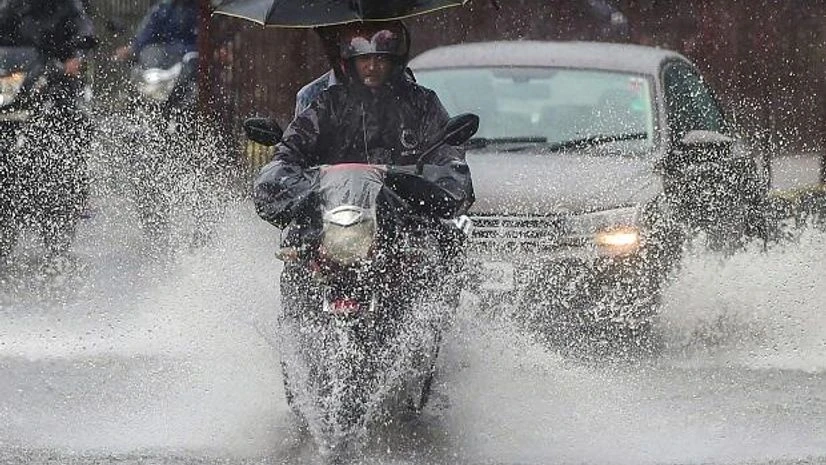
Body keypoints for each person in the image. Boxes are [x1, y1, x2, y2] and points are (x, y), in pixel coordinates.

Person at [253, 20, 473, 305]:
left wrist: (429, 179)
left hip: (401, 219)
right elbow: (289, 153)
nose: (372, 66)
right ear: (349, 61)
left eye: (380, 58)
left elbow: (447, 157)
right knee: (296, 250)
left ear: (396, 60)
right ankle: (297, 327)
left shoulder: (422, 104)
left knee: (443, 243)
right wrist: (283, 178)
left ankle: (434, 319)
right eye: (364, 58)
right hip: (334, 220)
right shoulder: (327, 104)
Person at [115, 0, 198, 61]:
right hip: (168, 61)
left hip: (193, 58)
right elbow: (149, 31)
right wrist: (133, 48)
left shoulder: (201, 10)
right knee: (149, 55)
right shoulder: (165, 8)